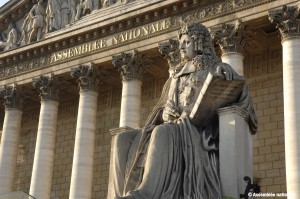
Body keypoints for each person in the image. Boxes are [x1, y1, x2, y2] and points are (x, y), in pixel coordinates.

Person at [109, 23, 257, 199]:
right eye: (181, 42)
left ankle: (146, 193)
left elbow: (242, 95)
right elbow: (162, 107)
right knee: (122, 139)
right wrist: (164, 113)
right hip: (171, 126)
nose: (181, 46)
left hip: (198, 132)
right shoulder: (176, 75)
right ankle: (120, 196)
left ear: (199, 43)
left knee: (162, 131)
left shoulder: (217, 69)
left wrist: (228, 76)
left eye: (186, 42)